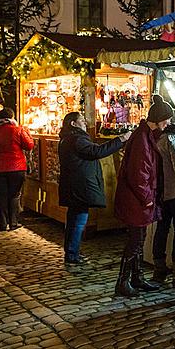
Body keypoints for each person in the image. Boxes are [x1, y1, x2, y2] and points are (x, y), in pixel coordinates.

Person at [113, 95, 173, 298]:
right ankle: (123, 281)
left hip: (139, 199)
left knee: (139, 239)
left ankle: (136, 278)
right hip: (136, 200)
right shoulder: (142, 138)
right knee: (135, 240)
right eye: (167, 120)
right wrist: (147, 198)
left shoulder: (146, 135)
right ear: (158, 120)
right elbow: (139, 173)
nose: (169, 124)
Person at [57, 111, 130, 266]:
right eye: (81, 120)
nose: (85, 123)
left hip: (74, 184)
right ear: (73, 124)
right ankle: (72, 255)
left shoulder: (67, 138)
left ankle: (71, 252)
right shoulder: (77, 139)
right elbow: (96, 152)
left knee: (73, 220)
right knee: (78, 221)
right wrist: (121, 139)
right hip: (79, 185)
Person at [0, 108, 34, 232]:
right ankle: (13, 223)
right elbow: (29, 145)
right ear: (12, 118)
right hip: (17, 168)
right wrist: (26, 132)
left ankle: (2, 224)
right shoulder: (19, 130)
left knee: (0, 196)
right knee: (14, 195)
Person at [153, 110, 175, 285]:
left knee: (163, 228)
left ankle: (159, 266)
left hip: (163, 191)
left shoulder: (159, 139)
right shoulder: (174, 139)